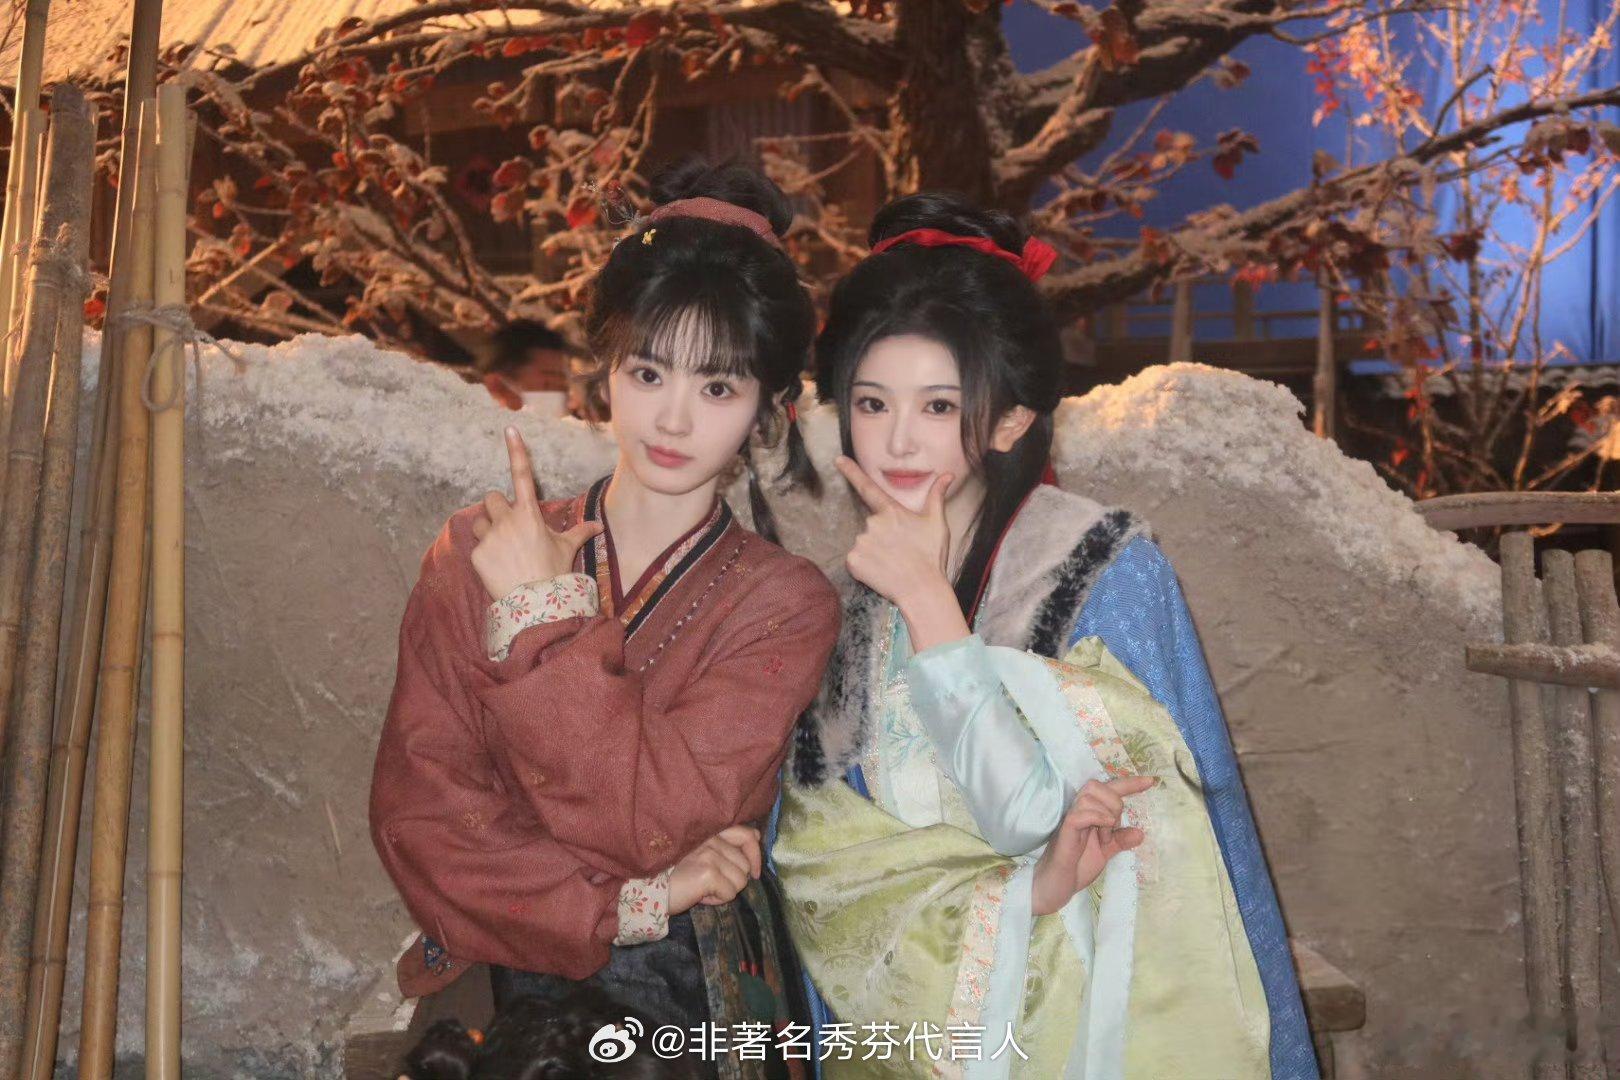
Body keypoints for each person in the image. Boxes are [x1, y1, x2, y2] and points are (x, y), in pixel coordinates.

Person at [771, 193, 1316, 1078]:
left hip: (1097, 1018)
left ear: (1011, 419)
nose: (898, 440)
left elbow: (1103, 832)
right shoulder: (843, 606)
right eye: (870, 403)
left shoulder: (1097, 572)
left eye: (939, 406)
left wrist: (930, 604)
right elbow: (826, 867)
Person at [371, 159, 840, 1079]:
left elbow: (652, 818)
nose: (674, 418)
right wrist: (630, 897)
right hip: (491, 963)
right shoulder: (477, 547)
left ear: (768, 409)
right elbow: (421, 820)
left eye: (718, 388)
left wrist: (541, 620)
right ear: (607, 368)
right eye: (649, 370)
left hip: (678, 989)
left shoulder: (784, 605)